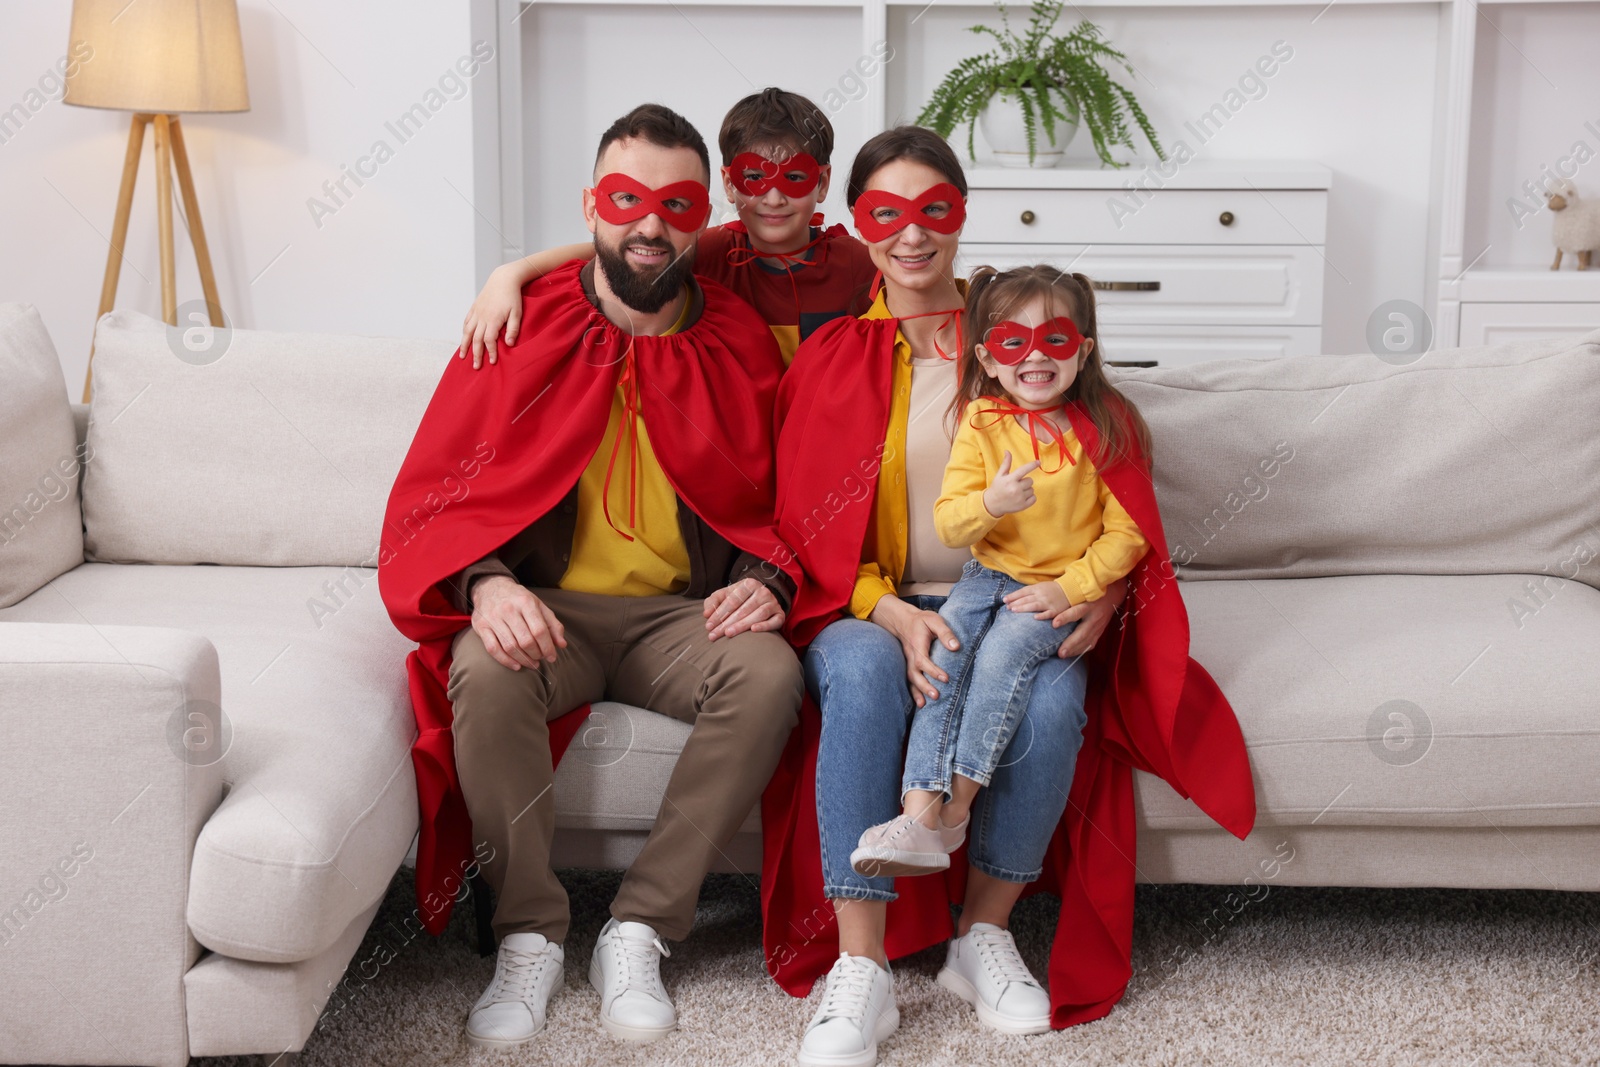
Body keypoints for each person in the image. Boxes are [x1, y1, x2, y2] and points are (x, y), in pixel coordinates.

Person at [765, 126, 1257, 1067]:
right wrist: (891, 609)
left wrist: (1102, 597)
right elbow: (808, 529)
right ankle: (860, 967)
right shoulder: (829, 356)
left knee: (1057, 699)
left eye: (933, 211)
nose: (911, 236)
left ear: (961, 215)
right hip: (875, 605)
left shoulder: (1017, 341)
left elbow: (1114, 497)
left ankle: (983, 933)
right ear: (856, 224)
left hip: (1027, 595)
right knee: (867, 684)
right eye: (886, 213)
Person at [379, 103, 803, 1051]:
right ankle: (527, 932)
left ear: (704, 218)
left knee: (771, 672)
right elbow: (436, 491)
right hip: (549, 612)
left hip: (678, 618)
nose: (650, 225)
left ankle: (641, 926)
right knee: (483, 672)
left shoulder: (738, 337)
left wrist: (772, 574)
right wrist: (485, 582)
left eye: (676, 203)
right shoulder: (519, 323)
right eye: (625, 200)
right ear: (592, 207)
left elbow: (795, 490)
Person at [852, 265, 1151, 887]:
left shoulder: (1109, 424)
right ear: (988, 358)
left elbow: (1129, 532)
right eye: (1015, 342)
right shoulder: (981, 421)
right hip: (984, 577)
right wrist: (993, 503)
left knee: (1003, 659)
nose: (1035, 356)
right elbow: (950, 524)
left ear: (1084, 350)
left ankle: (954, 809)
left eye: (1056, 339)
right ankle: (918, 813)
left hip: (1056, 591)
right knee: (943, 658)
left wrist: (1071, 588)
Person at [458, 87, 876, 368]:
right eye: (755, 179)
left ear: (822, 183)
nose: (773, 198)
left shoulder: (856, 264)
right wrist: (509, 273)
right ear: (729, 185)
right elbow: (622, 248)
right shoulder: (710, 251)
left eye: (795, 179)